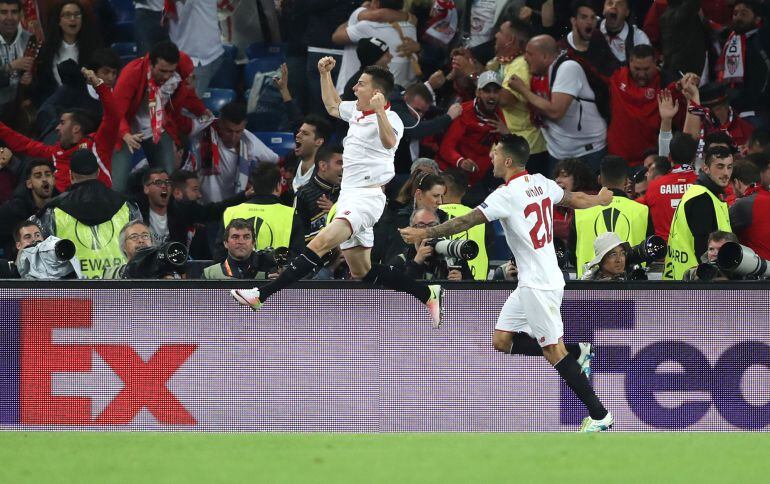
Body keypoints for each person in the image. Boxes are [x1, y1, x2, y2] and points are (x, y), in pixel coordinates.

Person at [400, 133, 615, 432]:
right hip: (534, 280)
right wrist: (599, 199)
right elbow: (574, 199)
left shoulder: (506, 194)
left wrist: (425, 233)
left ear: (509, 160)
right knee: (501, 340)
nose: (491, 156)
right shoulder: (540, 182)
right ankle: (578, 351)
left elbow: (468, 220)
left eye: (495, 152)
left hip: (538, 284)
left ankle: (600, 415)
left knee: (554, 351)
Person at [232, 60, 444, 327]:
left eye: (361, 84)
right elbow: (332, 105)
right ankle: (427, 293)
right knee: (362, 271)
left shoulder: (391, 118)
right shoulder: (356, 110)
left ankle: (261, 295)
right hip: (349, 196)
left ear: (376, 92)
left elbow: (390, 142)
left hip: (367, 197)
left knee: (321, 243)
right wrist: (324, 73)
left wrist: (379, 111)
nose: (355, 88)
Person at [111, 40, 209, 194]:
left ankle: (164, 217)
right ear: (150, 64)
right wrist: (125, 134)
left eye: (170, 71)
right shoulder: (132, 73)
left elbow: (188, 95)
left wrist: (202, 111)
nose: (166, 76)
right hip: (127, 132)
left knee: (167, 181)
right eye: (162, 71)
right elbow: (115, 111)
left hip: (157, 128)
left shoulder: (180, 71)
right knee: (117, 187)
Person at [0, 67, 118, 191]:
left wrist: (98, 85)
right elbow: (24, 144)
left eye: (62, 123)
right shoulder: (55, 153)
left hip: (101, 206)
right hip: (64, 207)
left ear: (76, 128)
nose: (57, 128)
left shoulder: (97, 144)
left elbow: (113, 116)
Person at [33, 149, 142, 278]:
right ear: (98, 172)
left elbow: (41, 260)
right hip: (120, 289)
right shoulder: (127, 206)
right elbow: (142, 249)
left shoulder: (52, 211)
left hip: (75, 293)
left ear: (71, 176)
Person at [508, 34, 607, 174]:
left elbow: (556, 112)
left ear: (544, 57)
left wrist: (523, 90)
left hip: (587, 152)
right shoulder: (539, 75)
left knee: (589, 196)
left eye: (530, 54)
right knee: (558, 196)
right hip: (558, 153)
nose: (525, 58)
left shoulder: (567, 67)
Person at [570, 156, 652, 277]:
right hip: (632, 286)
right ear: (626, 182)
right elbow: (648, 251)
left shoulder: (581, 211)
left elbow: (571, 255)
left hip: (588, 288)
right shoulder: (641, 210)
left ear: (599, 179)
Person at [664, 146, 734, 279]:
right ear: (706, 168)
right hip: (696, 282)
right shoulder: (702, 199)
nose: (726, 173)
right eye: (720, 166)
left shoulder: (703, 194)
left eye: (729, 167)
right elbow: (703, 248)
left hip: (680, 277)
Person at [189, 101, 280, 204]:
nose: (233, 137)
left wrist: (255, 182)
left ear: (244, 125)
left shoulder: (249, 141)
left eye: (238, 132)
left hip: (234, 209)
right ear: (220, 123)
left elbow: (274, 161)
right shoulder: (202, 134)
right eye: (229, 131)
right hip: (205, 208)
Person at [437, 70, 509, 188]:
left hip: (477, 179)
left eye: (496, 91)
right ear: (478, 92)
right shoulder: (464, 112)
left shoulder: (498, 115)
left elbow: (508, 150)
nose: (492, 95)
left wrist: (506, 134)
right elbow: (446, 147)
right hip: (451, 175)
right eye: (487, 91)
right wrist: (461, 161)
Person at [389, 208, 472, 281]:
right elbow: (396, 295)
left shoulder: (454, 260)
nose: (427, 231)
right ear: (412, 231)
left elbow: (475, 295)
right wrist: (416, 263)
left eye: (432, 226)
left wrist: (462, 283)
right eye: (421, 225)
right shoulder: (401, 261)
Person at [439, 168, 489, 280]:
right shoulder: (480, 216)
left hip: (448, 283)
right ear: (464, 191)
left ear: (443, 189)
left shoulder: (435, 214)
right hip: (479, 286)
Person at [294, 145, 343, 244]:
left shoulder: (348, 192)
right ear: (323, 166)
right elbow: (299, 237)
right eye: (340, 163)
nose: (344, 167)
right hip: (316, 257)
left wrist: (335, 211)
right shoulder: (303, 195)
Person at [202, 218, 279, 280]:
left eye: (246, 237)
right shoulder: (210, 274)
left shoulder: (268, 274)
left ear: (253, 243)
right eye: (235, 237)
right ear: (225, 243)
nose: (241, 242)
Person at [729, 159, 770, 260]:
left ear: (736, 182)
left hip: (759, 270)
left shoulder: (743, 205)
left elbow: (721, 230)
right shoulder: (766, 196)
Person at [0, 0, 35, 106]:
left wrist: (30, 81)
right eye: (4, 12)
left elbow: (41, 77)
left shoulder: (30, 39)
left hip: (19, 105)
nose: (9, 17)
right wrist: (11, 67)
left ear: (20, 15)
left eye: (14, 12)